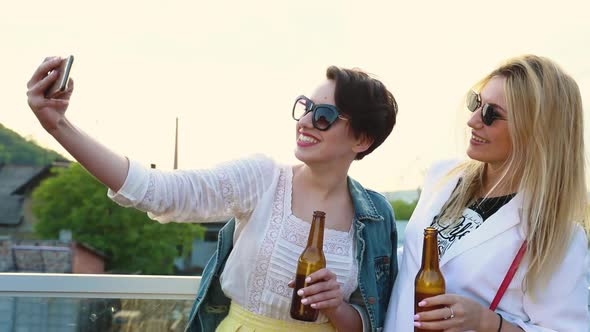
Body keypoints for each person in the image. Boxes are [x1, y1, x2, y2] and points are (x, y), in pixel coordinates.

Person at [26, 58, 399, 332]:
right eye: (306, 108)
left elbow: (370, 322)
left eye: (325, 116)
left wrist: (335, 306)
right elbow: (160, 193)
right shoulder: (264, 179)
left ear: (362, 139)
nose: (304, 122)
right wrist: (58, 125)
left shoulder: (376, 216)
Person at [385, 54, 589, 331]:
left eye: (492, 114)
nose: (472, 121)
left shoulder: (556, 236)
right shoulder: (443, 177)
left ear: (537, 133)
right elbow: (409, 260)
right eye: (476, 104)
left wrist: (489, 323)